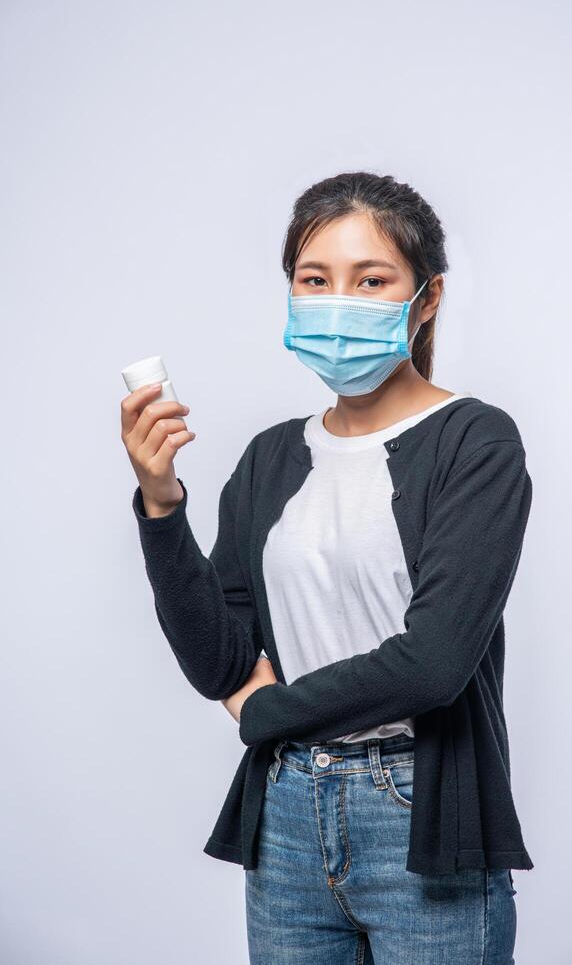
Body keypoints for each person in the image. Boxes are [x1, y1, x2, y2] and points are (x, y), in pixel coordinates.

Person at [121, 171, 533, 964]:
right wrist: (162, 504)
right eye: (315, 280)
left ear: (428, 297)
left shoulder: (476, 443)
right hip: (286, 816)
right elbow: (220, 657)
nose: (337, 301)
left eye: (370, 280)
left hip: (417, 810)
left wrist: (265, 712)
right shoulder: (272, 456)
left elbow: (434, 663)